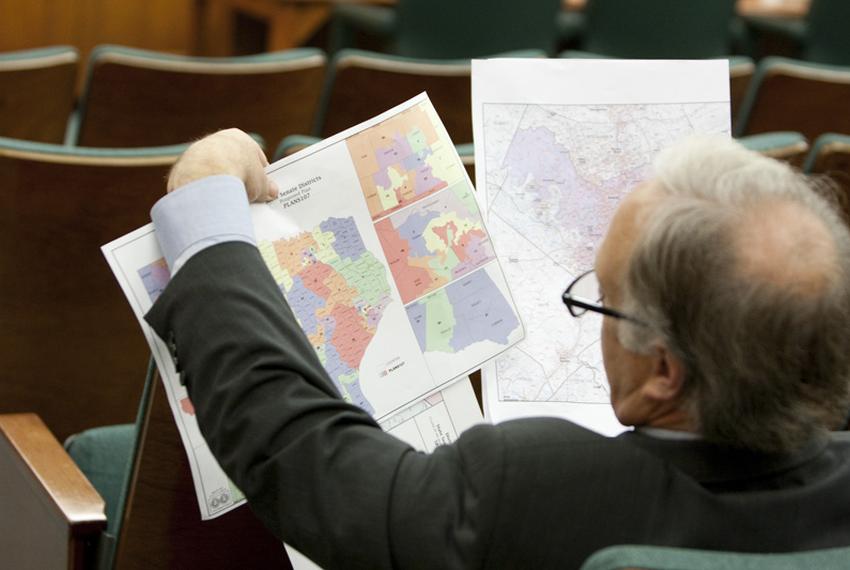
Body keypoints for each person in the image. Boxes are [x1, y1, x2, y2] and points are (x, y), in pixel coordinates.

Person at [145, 128, 850, 569]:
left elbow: (308, 459)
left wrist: (208, 221)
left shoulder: (537, 495)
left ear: (665, 370)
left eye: (598, 296)